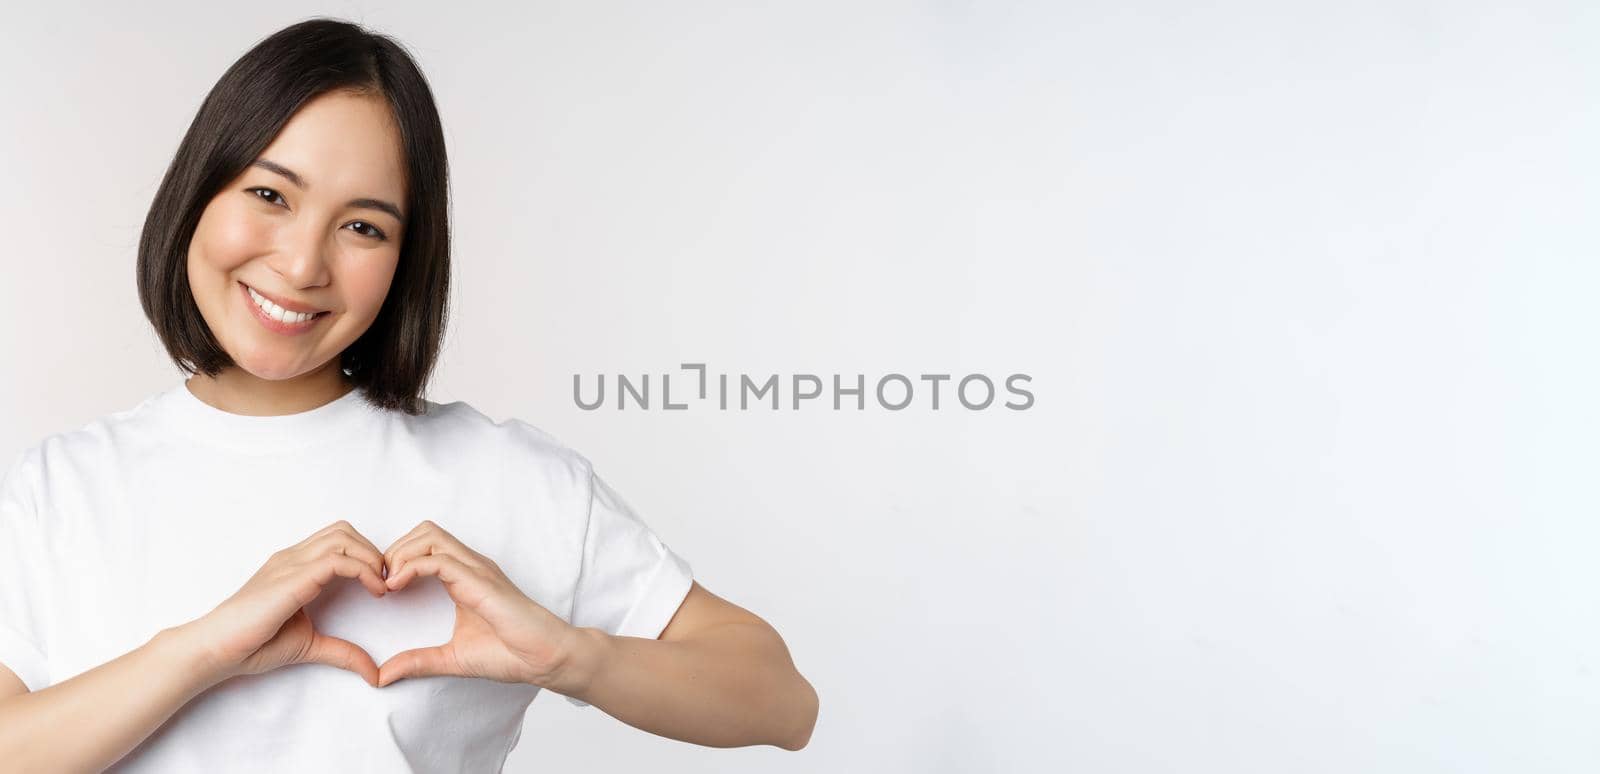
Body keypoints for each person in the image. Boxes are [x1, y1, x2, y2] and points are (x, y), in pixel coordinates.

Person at [0, 17, 818, 771]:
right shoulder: (57, 491)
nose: (302, 265)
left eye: (364, 226)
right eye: (270, 194)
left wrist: (572, 656)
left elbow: (783, 702)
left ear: (405, 260)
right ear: (198, 192)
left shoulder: (503, 476)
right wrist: (204, 649)